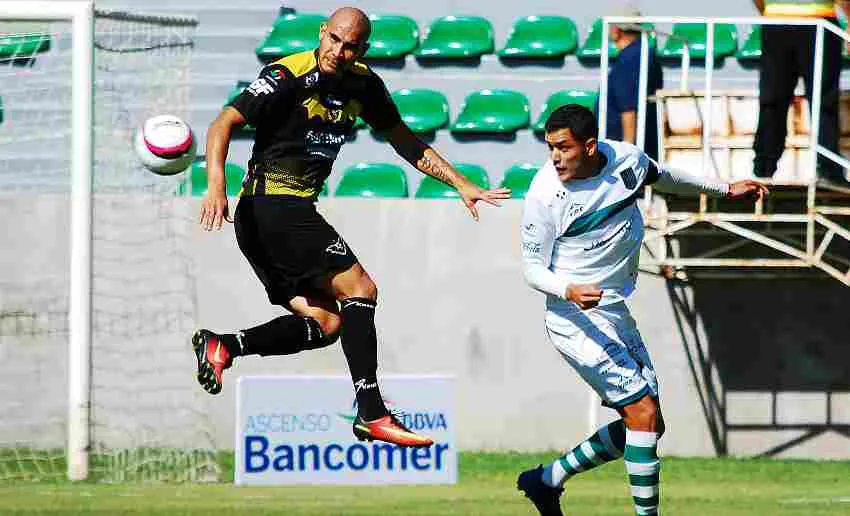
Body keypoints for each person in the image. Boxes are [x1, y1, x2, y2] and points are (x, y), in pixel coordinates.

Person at [194, 6, 510, 448]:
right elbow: (223, 122)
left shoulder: (364, 85)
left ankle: (224, 346)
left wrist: (461, 184)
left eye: (351, 46)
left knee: (326, 323)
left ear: (363, 49)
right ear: (322, 34)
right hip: (271, 206)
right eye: (334, 40)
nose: (339, 52)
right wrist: (215, 186)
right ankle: (372, 413)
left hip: (274, 218)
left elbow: (404, 141)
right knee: (361, 289)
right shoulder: (287, 74)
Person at [515, 104, 768, 516]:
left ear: (590, 146)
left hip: (614, 310)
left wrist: (723, 190)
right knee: (643, 412)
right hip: (574, 319)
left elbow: (665, 176)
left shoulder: (626, 161)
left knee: (648, 424)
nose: (555, 157)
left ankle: (546, 480)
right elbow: (531, 269)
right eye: (550, 148)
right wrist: (568, 289)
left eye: (563, 147)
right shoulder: (545, 194)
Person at [752, 0, 850, 183]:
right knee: (773, 100)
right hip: (780, 22)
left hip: (814, 21)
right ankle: (764, 168)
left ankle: (828, 169)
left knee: (821, 100)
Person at [603, 4, 663, 161]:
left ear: (616, 30)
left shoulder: (629, 59)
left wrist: (628, 155)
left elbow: (628, 109)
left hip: (620, 151)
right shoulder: (643, 53)